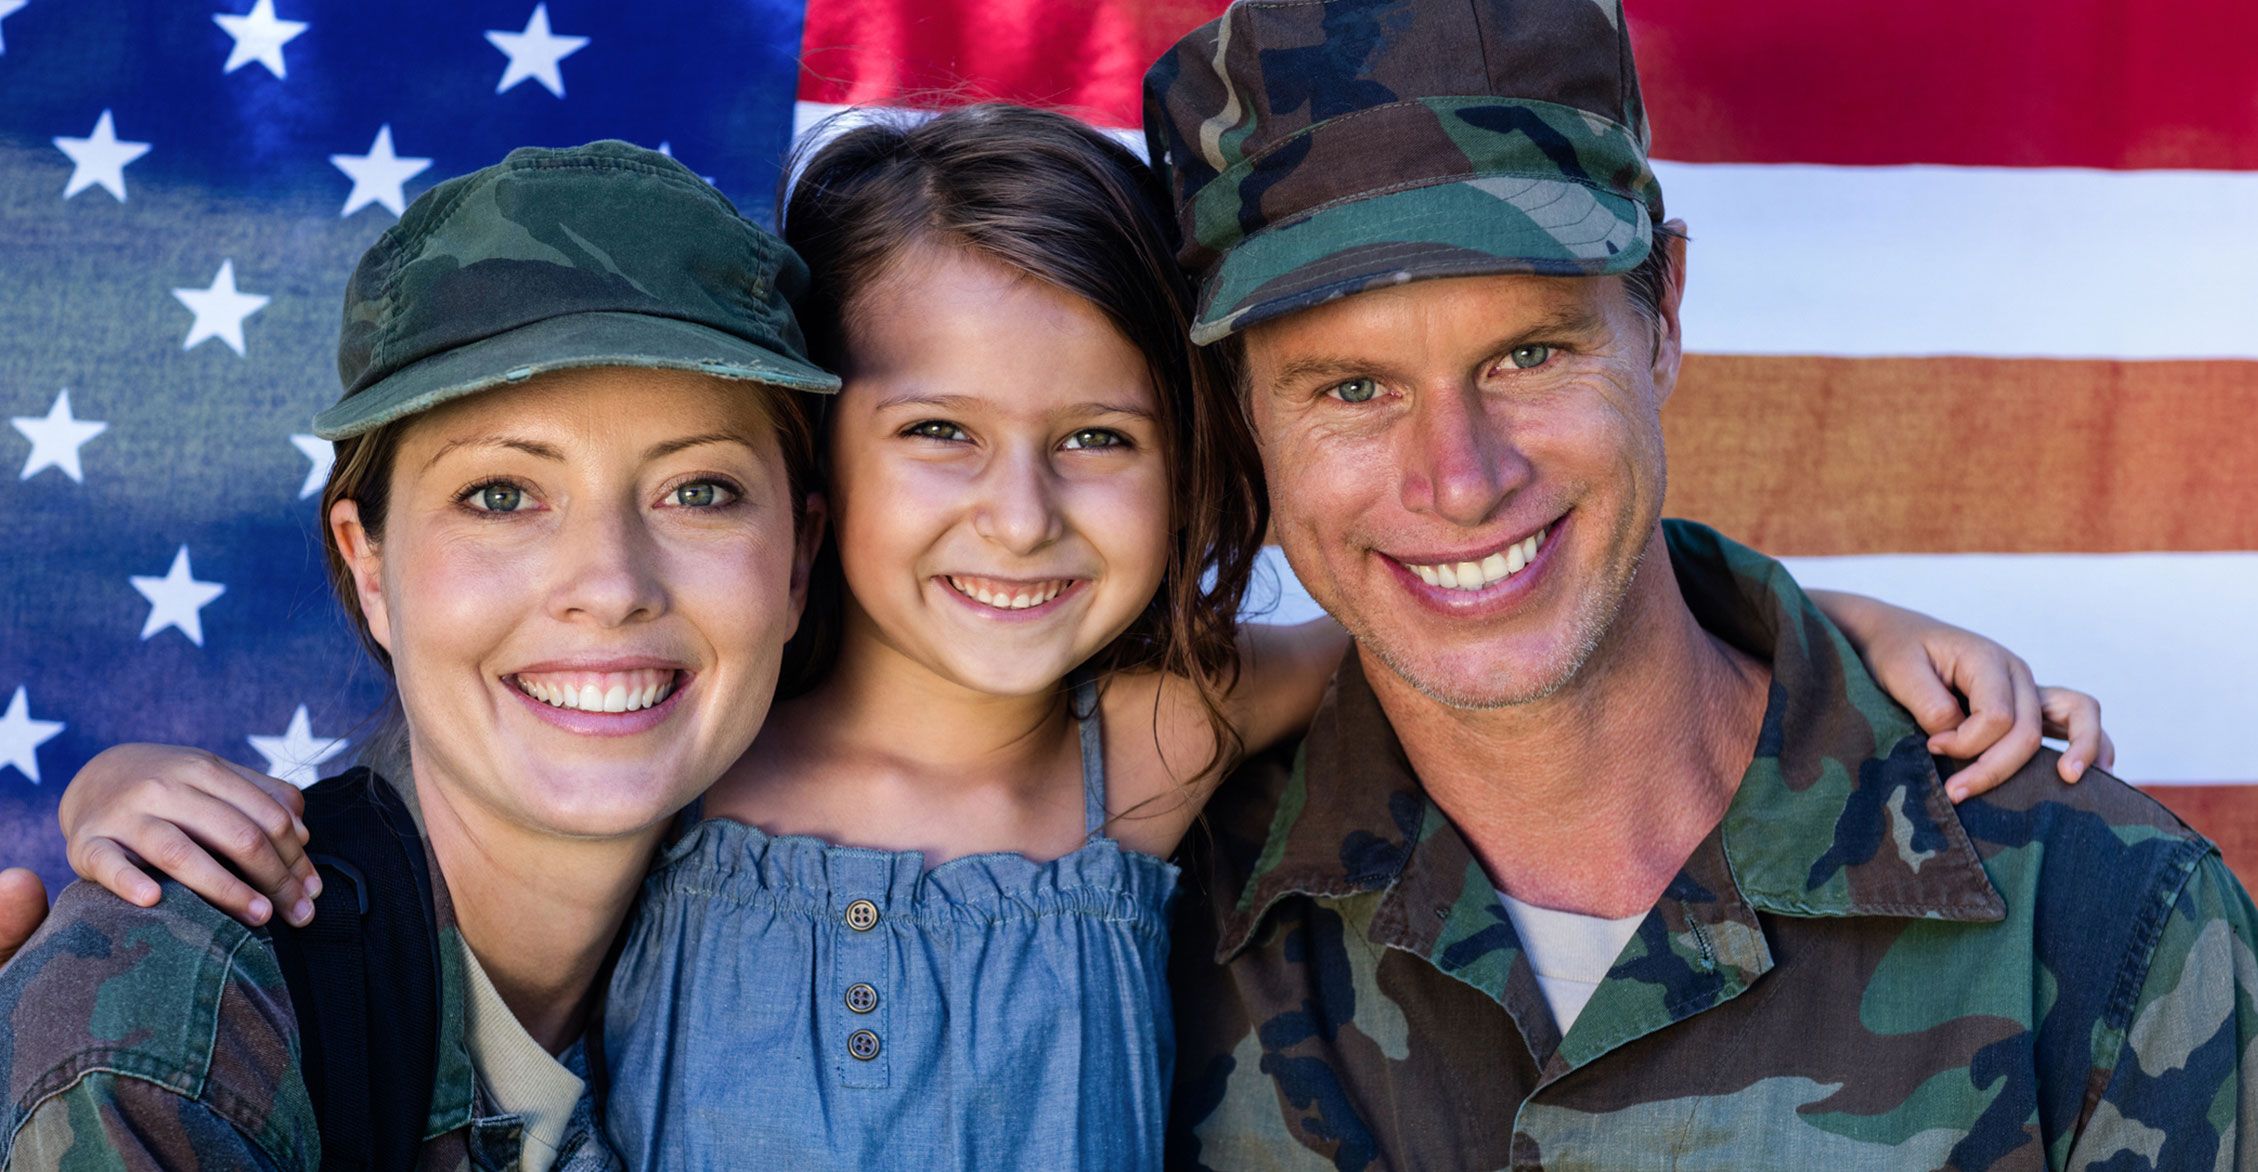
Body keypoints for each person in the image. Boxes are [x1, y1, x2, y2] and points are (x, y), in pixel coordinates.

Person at [8, 108, 2103, 1166]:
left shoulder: (1164, 741)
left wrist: (1823, 618)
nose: (1016, 519)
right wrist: (113, 775)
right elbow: (432, 822)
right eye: (939, 437)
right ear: (830, 478)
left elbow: (1486, 624)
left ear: (1192, 473)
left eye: (1094, 441)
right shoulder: (684, 753)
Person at [1143, 1, 2258, 1168]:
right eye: (1349, 388)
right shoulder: (1143, 901)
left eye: (1528, 353)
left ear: (1662, 312)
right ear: (1236, 413)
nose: (1459, 482)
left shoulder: (2092, 915)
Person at [0, 140, 836, 1170]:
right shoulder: (175, 1020)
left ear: (799, 559)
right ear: (372, 564)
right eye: (500, 494)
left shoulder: (836, 951)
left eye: (699, 490)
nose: (611, 582)